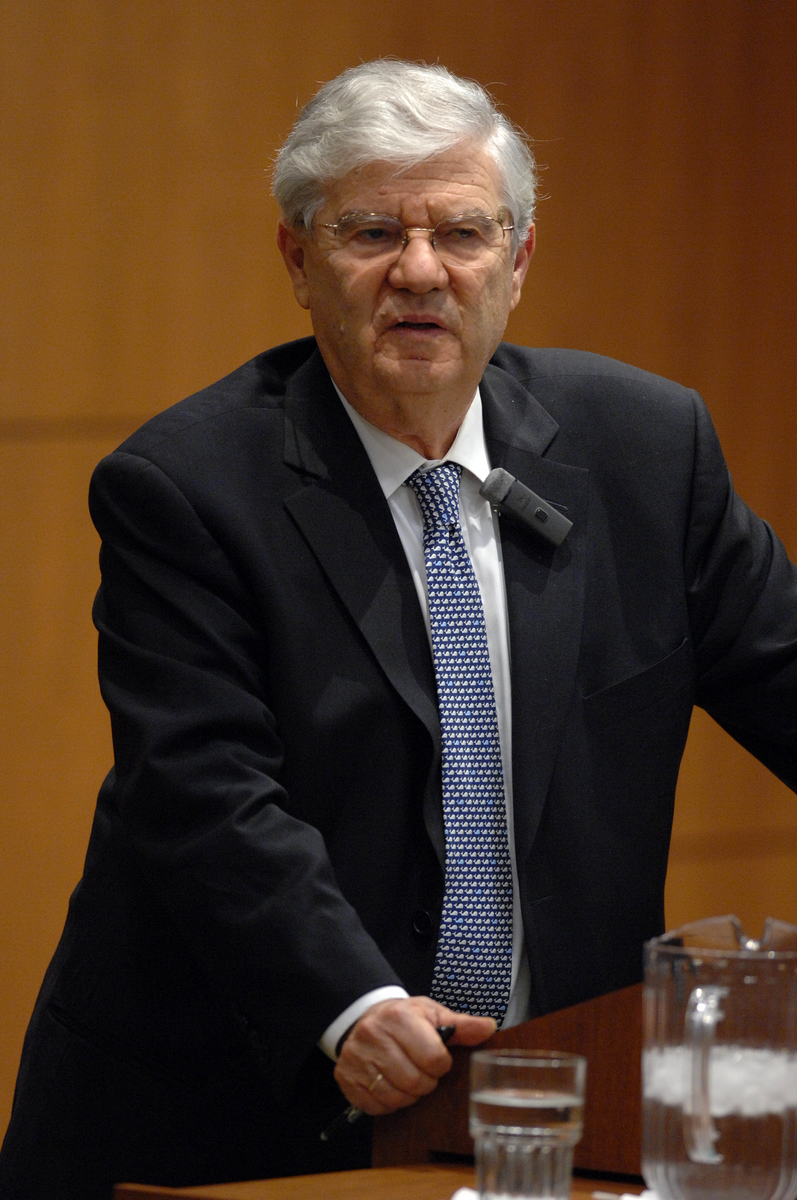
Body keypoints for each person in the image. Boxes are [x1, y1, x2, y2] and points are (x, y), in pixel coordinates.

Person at [2, 59, 796, 1200]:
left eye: (463, 235)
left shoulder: (646, 452)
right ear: (297, 260)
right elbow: (203, 791)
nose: (420, 271)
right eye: (372, 232)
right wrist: (351, 1002)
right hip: (233, 1114)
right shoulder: (186, 488)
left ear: (517, 261)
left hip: (549, 1110)